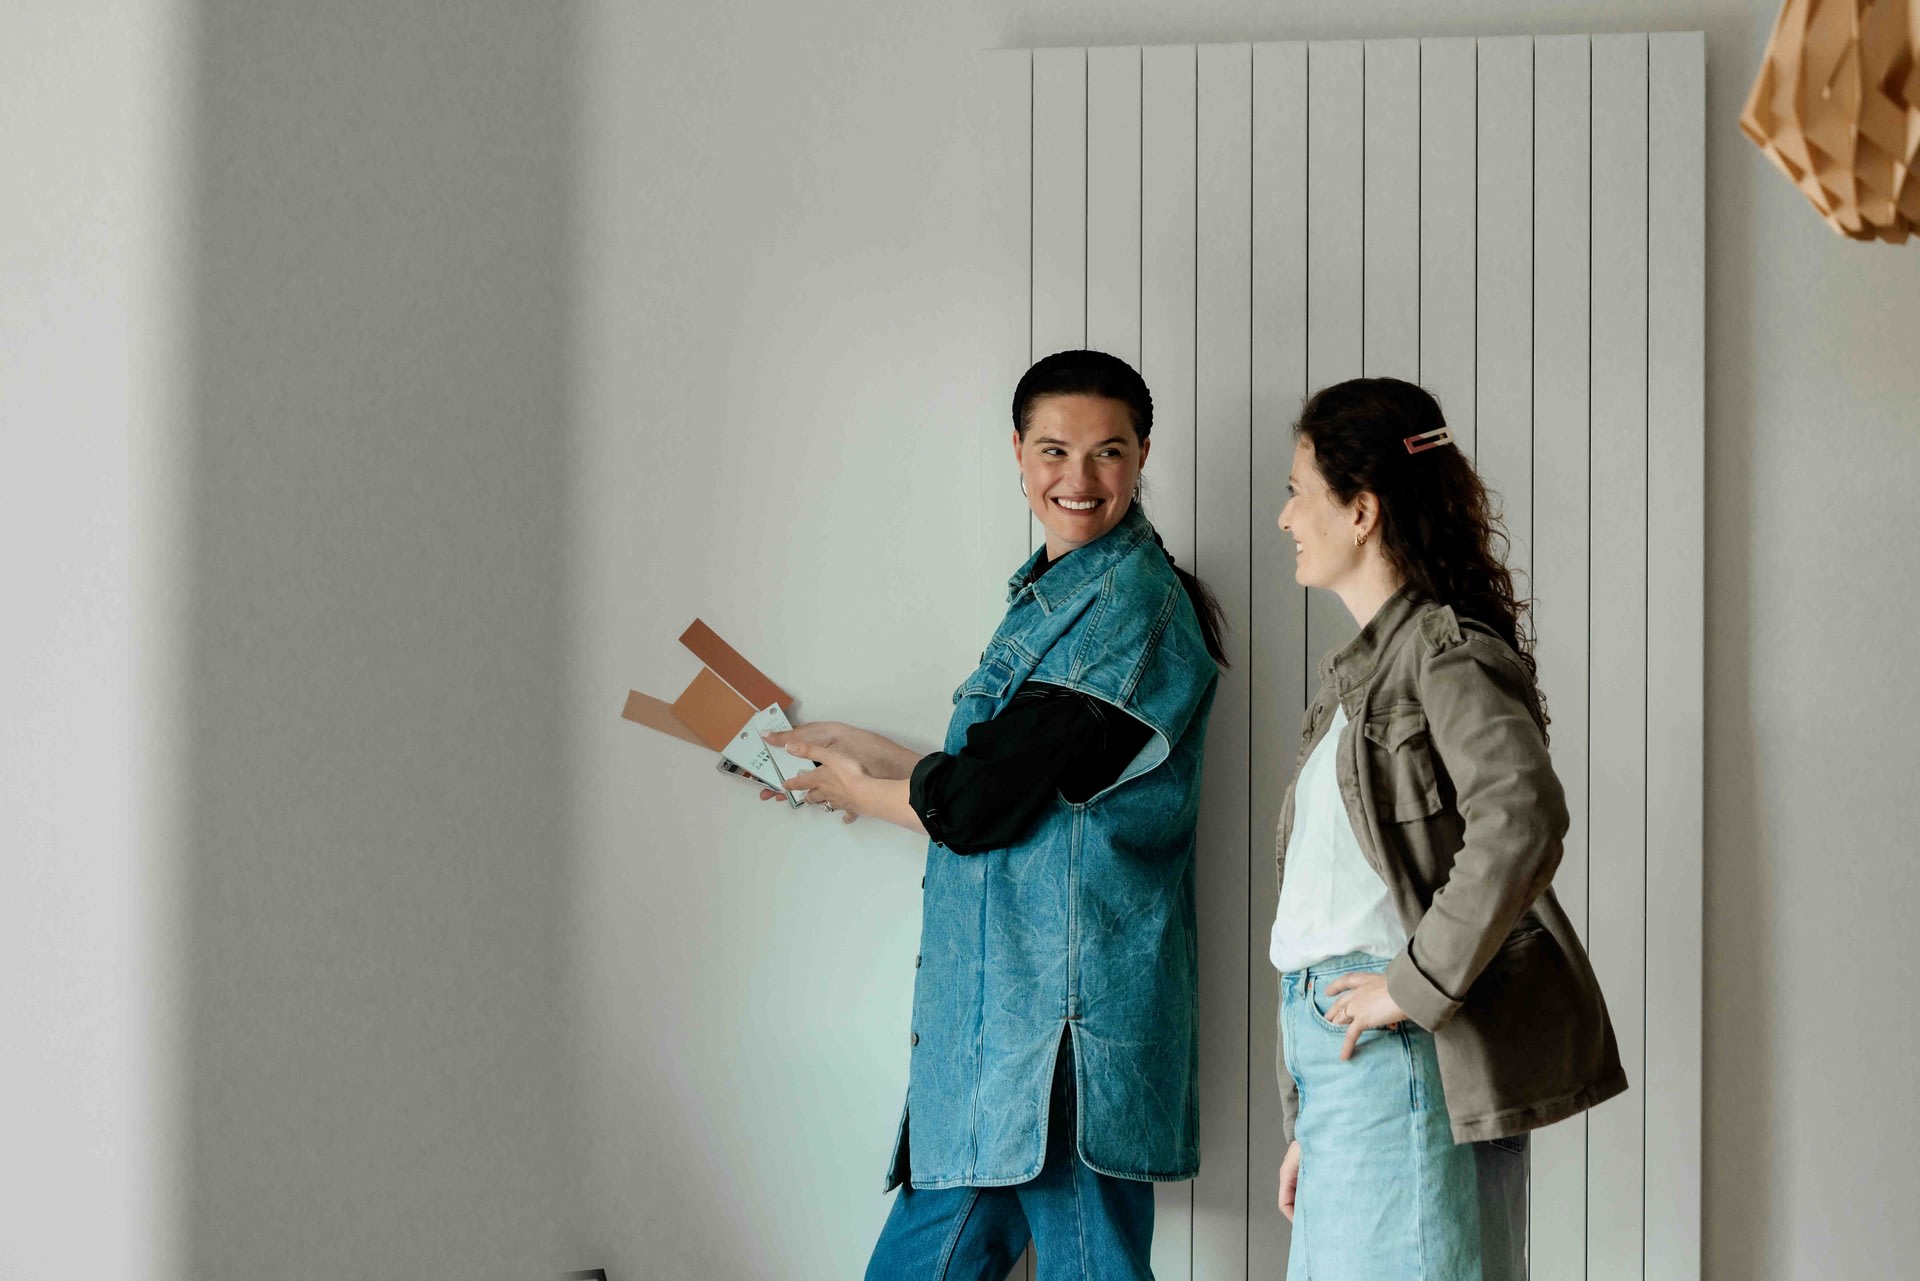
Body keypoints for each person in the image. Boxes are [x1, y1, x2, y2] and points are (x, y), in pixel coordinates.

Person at [760, 350, 1226, 1280]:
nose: (1079, 479)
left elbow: (980, 805)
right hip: (999, 1040)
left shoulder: (1129, 607)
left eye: (1108, 453)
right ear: (1018, 452)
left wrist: (859, 789)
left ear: (1141, 458)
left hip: (1065, 1043)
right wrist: (859, 749)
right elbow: (1000, 769)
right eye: (1055, 450)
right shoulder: (1053, 598)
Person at [1267, 377, 1627, 1281]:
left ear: (1361, 510)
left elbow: (1522, 816)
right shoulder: (1352, 681)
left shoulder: (1443, 650)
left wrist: (1411, 984)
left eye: (1297, 490)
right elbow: (1326, 905)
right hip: (1348, 1078)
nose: (1284, 517)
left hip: (1400, 1067)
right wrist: (1310, 1116)